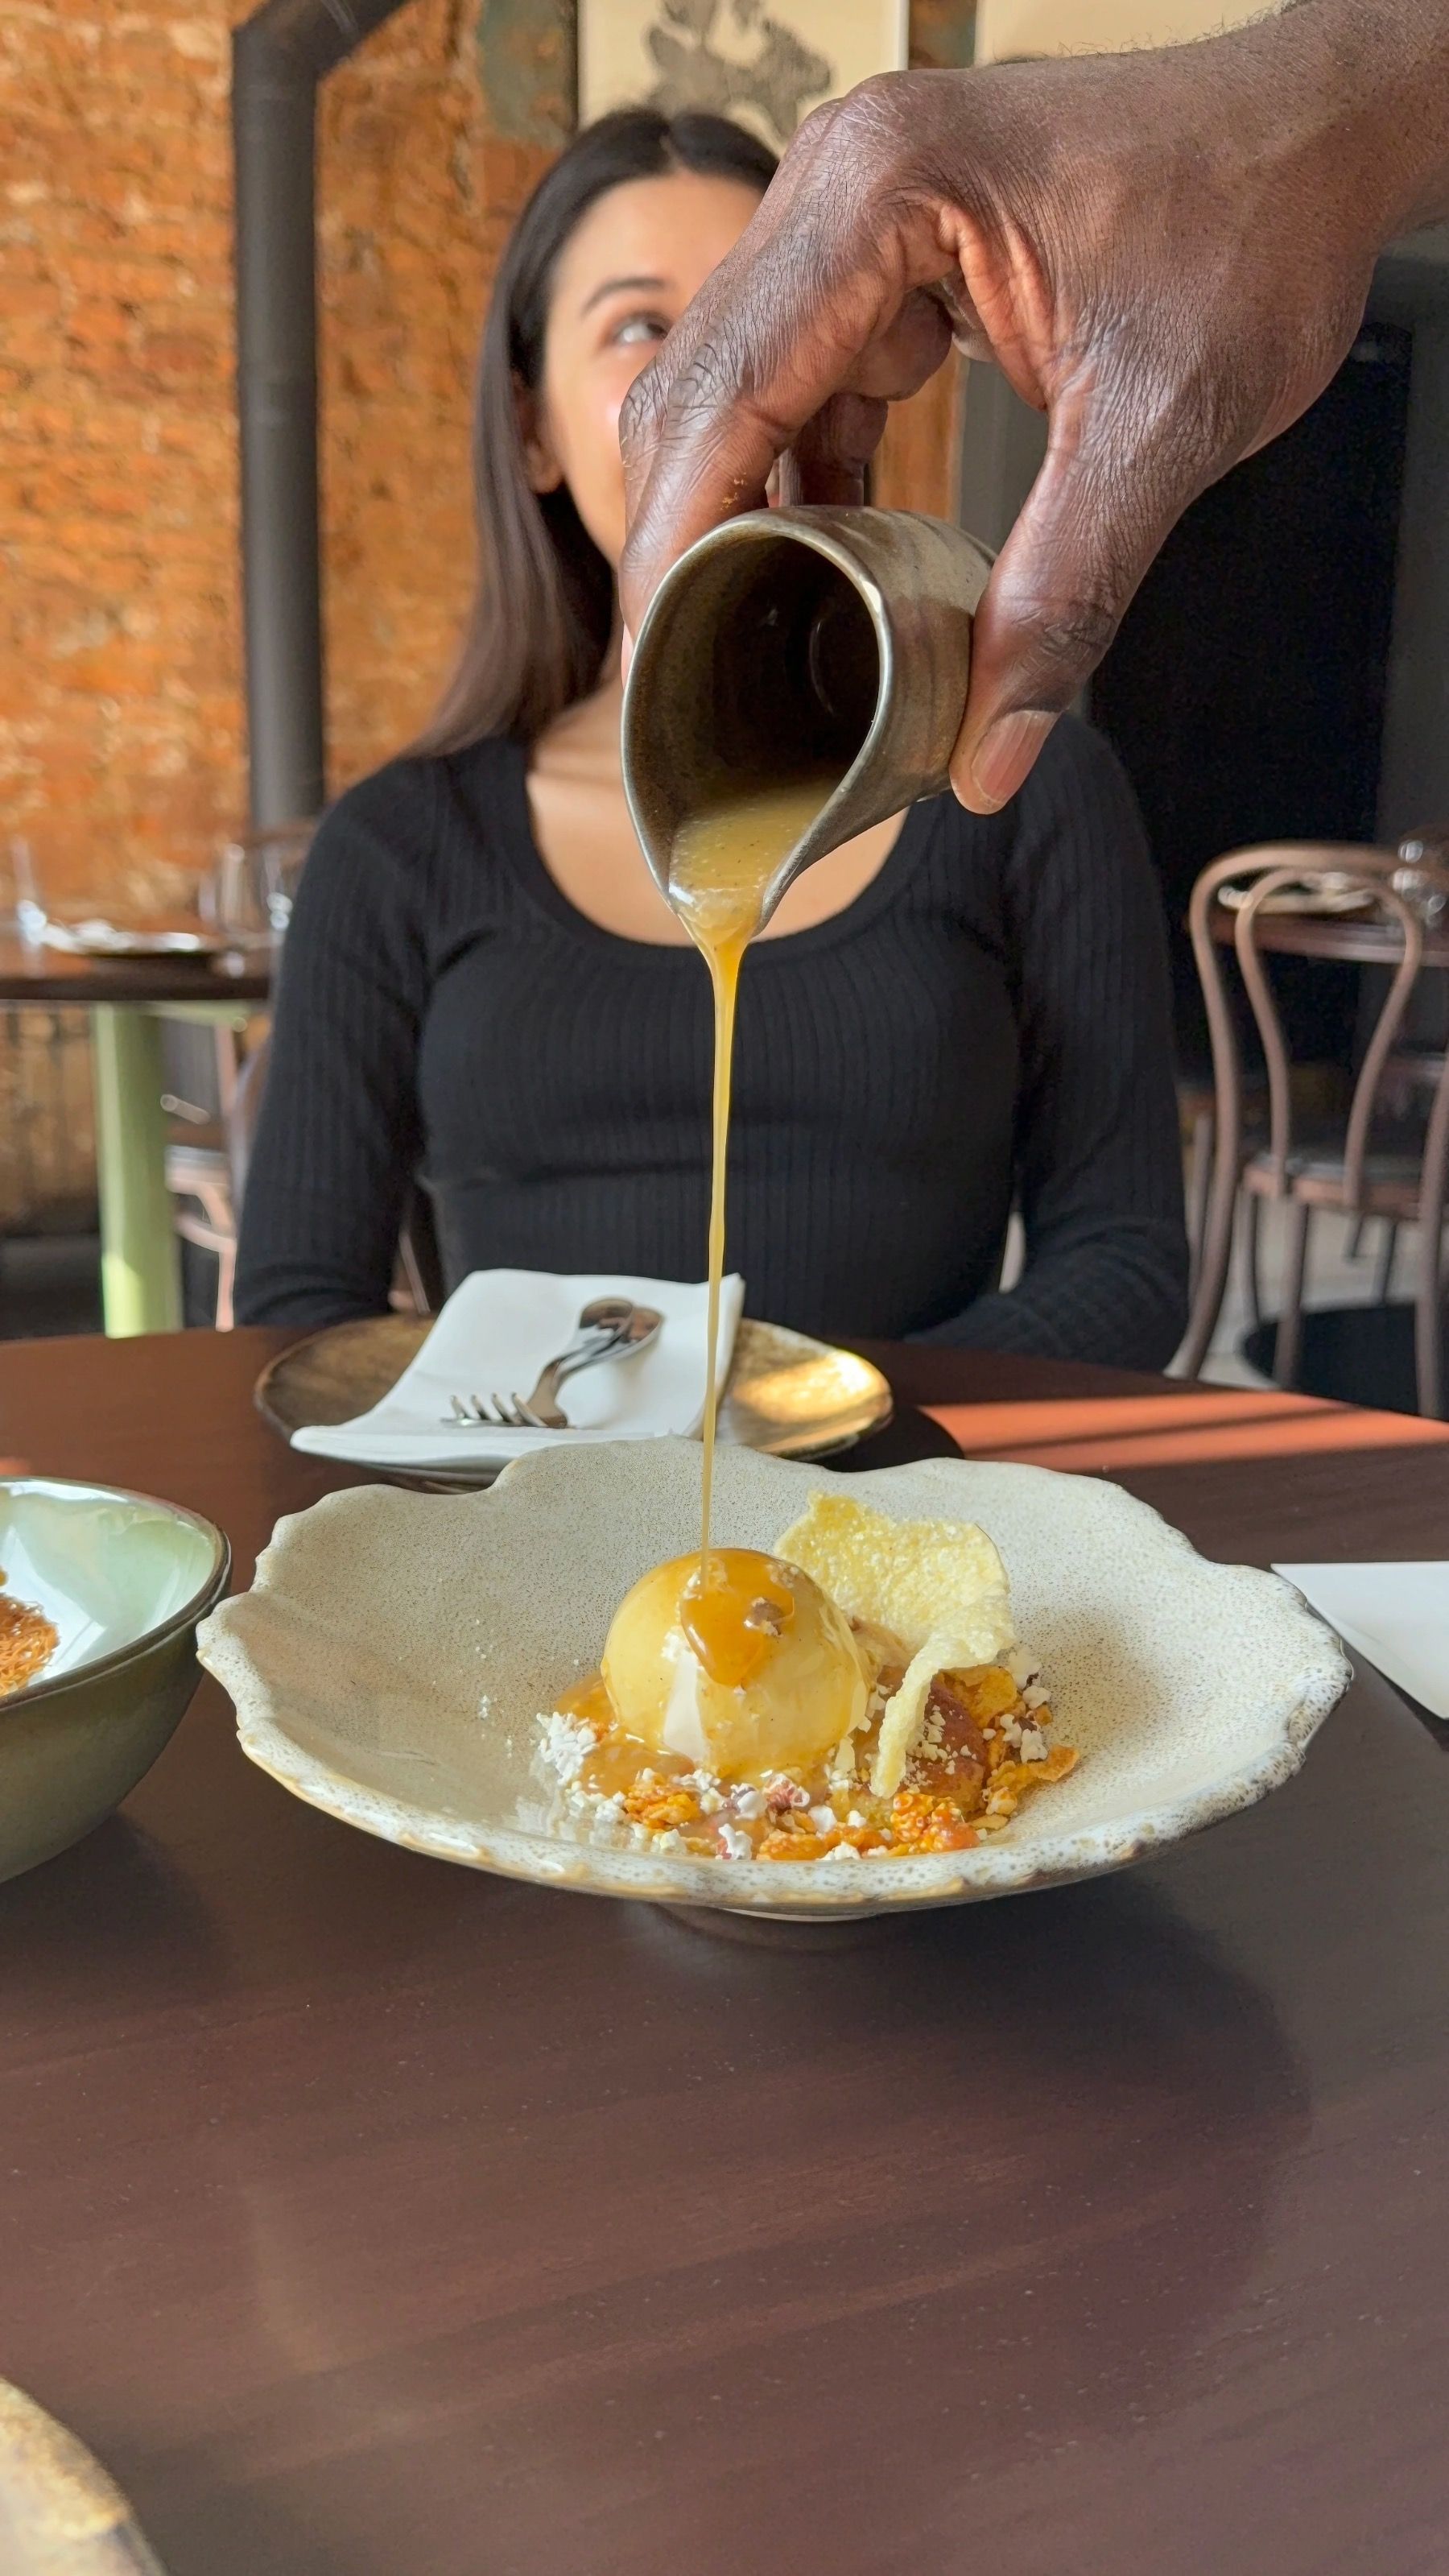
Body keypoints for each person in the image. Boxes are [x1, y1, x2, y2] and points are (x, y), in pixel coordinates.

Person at [234, 109, 1187, 1367]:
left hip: (905, 1520)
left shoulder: (1023, 784)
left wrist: (820, 1430)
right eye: (640, 324)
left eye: (770, 304)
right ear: (528, 424)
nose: (717, 373)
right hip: (528, 1532)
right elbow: (302, 1312)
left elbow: (1123, 1266)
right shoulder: (400, 847)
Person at [619, 0, 1449, 817]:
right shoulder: (486, 822)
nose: (702, 337)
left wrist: (1328, 120)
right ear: (528, 417)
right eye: (640, 326)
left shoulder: (1053, 791)